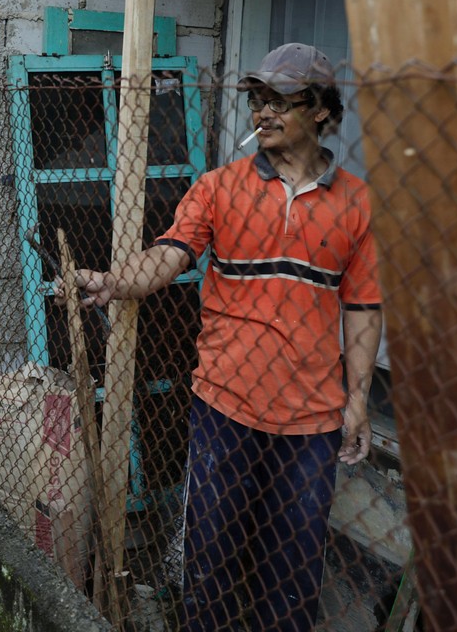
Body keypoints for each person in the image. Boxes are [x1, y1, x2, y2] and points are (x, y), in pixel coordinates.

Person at [69, 43, 382, 631]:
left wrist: (359, 398)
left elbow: (362, 308)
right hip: (224, 408)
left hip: (311, 423)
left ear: (319, 111)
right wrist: (114, 281)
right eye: (257, 100)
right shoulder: (220, 187)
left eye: (278, 101)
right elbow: (168, 255)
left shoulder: (357, 204)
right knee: (209, 567)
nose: (261, 112)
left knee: (291, 580)